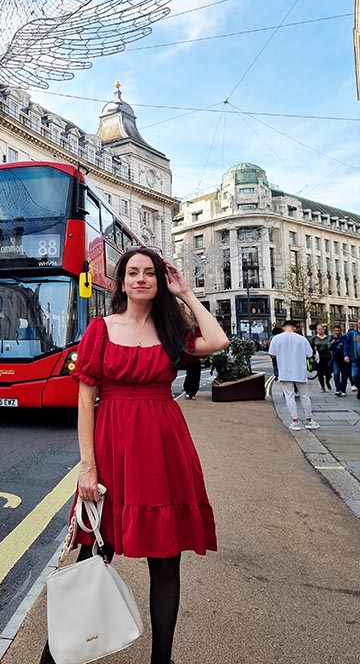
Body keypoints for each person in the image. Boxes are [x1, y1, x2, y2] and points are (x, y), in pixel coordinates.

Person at [39, 247, 229, 664]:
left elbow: (217, 340)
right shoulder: (100, 328)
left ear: (159, 282)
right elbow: (86, 397)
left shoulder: (171, 328)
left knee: (166, 558)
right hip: (112, 446)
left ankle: (163, 658)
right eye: (133, 273)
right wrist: (87, 466)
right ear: (122, 281)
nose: (141, 279)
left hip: (164, 446)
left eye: (150, 273)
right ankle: (58, 654)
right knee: (93, 550)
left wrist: (186, 294)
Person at [268, 320, 320, 431]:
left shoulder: (276, 339)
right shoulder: (302, 339)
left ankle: (295, 421)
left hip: (285, 371)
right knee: (304, 396)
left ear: (283, 328)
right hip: (300, 371)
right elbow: (309, 354)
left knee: (289, 396)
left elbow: (272, 355)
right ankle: (309, 420)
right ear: (294, 328)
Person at [310, 324, 332, 392]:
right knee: (320, 372)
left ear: (324, 330)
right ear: (316, 330)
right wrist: (314, 350)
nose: (320, 330)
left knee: (329, 372)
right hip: (319, 357)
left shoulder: (328, 337)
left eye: (321, 329)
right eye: (319, 329)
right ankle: (322, 386)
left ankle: (327, 381)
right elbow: (310, 347)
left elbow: (331, 346)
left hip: (328, 357)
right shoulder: (314, 338)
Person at [343, 317, 360, 399]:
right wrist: (346, 355)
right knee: (355, 375)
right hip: (355, 359)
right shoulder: (353, 334)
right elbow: (346, 345)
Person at [329, 325, 348, 396]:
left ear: (341, 331)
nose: (337, 332)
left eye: (338, 331)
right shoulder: (331, 338)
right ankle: (338, 389)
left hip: (344, 359)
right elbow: (328, 347)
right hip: (335, 359)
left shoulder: (344, 337)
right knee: (336, 373)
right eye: (335, 331)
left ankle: (343, 390)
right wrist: (331, 343)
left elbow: (346, 345)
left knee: (344, 375)